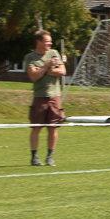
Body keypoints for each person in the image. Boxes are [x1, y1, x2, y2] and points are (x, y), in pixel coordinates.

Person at [23, 30, 66, 166]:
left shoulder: (54, 53)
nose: (50, 43)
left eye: (50, 41)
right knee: (36, 128)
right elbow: (33, 76)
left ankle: (50, 156)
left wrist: (44, 70)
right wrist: (47, 65)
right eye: (47, 41)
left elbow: (62, 71)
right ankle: (34, 157)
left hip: (55, 97)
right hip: (39, 97)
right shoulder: (30, 57)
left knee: (53, 128)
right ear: (39, 42)